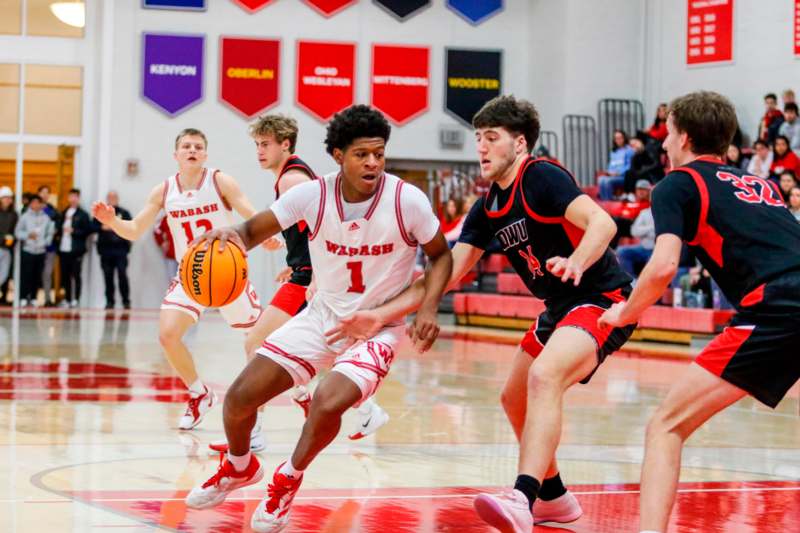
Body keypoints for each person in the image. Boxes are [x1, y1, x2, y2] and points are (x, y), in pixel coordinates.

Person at [325, 95, 636, 532]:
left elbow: (602, 223)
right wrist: (379, 315)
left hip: (602, 298)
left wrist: (577, 262)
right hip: (560, 307)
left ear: (520, 144)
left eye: (492, 138)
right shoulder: (488, 206)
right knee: (513, 398)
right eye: (478, 139)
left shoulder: (541, 177)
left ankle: (522, 498)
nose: (482, 148)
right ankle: (555, 498)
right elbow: (446, 273)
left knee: (544, 377)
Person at [184, 105, 452, 533]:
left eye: (379, 154)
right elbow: (253, 230)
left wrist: (428, 307)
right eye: (361, 154)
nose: (372, 163)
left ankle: (287, 479)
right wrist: (228, 236)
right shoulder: (313, 194)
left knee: (328, 399)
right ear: (336, 155)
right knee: (238, 399)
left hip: (376, 329)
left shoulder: (407, 200)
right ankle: (239, 466)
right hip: (323, 315)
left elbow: (441, 257)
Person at [597, 91, 800, 533]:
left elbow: (663, 266)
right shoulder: (759, 183)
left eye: (667, 135)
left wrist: (625, 314)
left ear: (684, 137)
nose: (663, 145)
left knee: (665, 426)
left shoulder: (676, 183)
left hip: (776, 307)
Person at [208, 114, 390, 455]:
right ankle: (363, 409)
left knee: (256, 342)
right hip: (304, 272)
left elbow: (323, 231)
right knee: (321, 348)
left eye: (266, 144)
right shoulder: (292, 176)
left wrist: (316, 275)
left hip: (312, 278)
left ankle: (259, 429)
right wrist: (293, 265)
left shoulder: (292, 179)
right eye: (257, 145)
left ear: (285, 144)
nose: (260, 151)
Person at [92, 128, 264, 431]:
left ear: (206, 154)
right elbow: (134, 230)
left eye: (198, 146)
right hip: (191, 274)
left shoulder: (220, 181)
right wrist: (112, 221)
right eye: (186, 146)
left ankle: (269, 410)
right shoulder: (163, 191)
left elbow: (252, 215)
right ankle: (199, 393)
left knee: (259, 343)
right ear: (176, 155)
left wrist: (269, 238)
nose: (192, 150)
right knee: (168, 335)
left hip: (227, 271)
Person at [94, 191, 132, 309]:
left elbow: (130, 226)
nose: (112, 199)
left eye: (114, 197)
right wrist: (102, 227)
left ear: (118, 198)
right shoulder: (100, 213)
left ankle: (126, 301)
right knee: (107, 276)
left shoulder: (124, 212)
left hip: (121, 250)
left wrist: (115, 226)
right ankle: (110, 301)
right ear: (107, 199)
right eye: (110, 197)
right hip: (105, 251)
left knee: (122, 275)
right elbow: (93, 226)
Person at [15, 195, 55, 306]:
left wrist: (45, 242)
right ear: (30, 204)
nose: (36, 205)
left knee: (37, 275)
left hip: (41, 251)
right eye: (34, 203)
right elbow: (18, 232)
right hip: (28, 250)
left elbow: (50, 233)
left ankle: (33, 297)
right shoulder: (24, 217)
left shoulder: (46, 218)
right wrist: (28, 235)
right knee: (26, 274)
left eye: (38, 203)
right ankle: (23, 296)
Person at [56, 188, 92, 308]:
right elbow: (58, 228)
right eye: (71, 196)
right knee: (65, 275)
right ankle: (66, 298)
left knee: (76, 275)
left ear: (78, 198)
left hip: (76, 250)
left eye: (75, 196)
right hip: (63, 249)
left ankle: (76, 299)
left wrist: (74, 231)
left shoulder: (83, 214)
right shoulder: (64, 212)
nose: (73, 199)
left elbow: (87, 230)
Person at [616, 182, 655, 277]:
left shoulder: (666, 213)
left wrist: (645, 231)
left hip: (657, 250)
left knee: (654, 260)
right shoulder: (645, 213)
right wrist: (650, 228)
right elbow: (634, 231)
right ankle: (631, 280)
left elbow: (658, 234)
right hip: (644, 248)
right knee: (621, 251)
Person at [597, 129, 635, 200]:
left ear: (624, 138)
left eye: (620, 138)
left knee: (607, 181)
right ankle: (604, 201)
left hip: (623, 177)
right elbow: (611, 165)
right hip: (612, 176)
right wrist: (609, 172)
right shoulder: (614, 151)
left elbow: (630, 166)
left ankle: (608, 201)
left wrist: (618, 173)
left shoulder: (629, 150)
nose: (618, 140)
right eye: (616, 138)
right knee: (601, 179)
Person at [37, 185, 58, 306]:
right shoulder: (31, 208)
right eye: (42, 192)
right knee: (33, 273)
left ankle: (47, 299)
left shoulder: (52, 210)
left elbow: (57, 225)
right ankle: (30, 298)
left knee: (47, 273)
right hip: (33, 248)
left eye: (47, 193)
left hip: (49, 248)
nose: (44, 195)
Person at [0, 187, 17, 305]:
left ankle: (4, 297)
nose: (7, 200)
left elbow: (15, 231)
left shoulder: (14, 214)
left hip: (7, 248)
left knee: (5, 274)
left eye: (9, 198)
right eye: (5, 197)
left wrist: (12, 240)